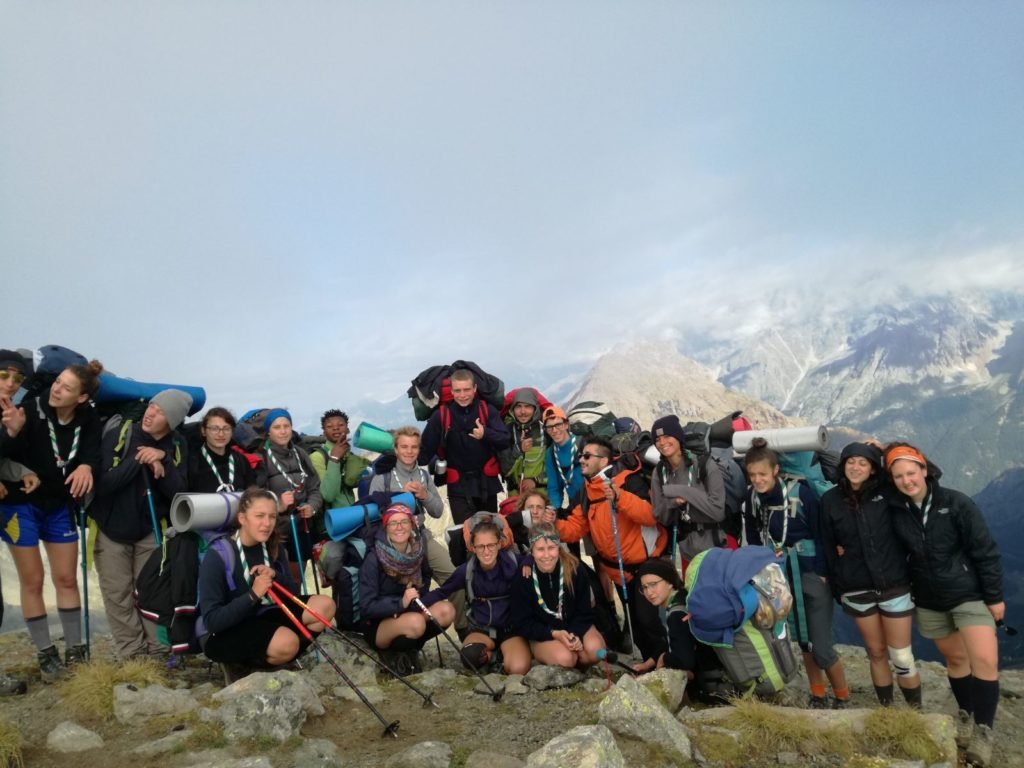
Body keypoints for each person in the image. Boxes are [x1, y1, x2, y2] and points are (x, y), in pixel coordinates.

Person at [885, 443, 1002, 766]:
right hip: (929, 598)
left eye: (912, 472)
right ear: (892, 479)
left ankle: (984, 730)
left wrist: (994, 597)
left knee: (984, 661)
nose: (907, 480)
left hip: (968, 594)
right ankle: (965, 713)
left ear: (925, 470)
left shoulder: (955, 502)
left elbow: (985, 551)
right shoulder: (897, 509)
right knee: (955, 659)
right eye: (899, 476)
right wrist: (881, 449)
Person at [0, 355, 98, 683]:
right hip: (20, 504)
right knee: (33, 581)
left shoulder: (89, 417)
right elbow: (8, 453)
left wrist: (86, 465)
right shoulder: (30, 409)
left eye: (66, 388)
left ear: (81, 397)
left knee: (66, 579)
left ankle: (75, 650)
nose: (57, 390)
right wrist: (13, 432)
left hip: (59, 506)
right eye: (57, 383)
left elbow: (93, 452)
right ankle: (46, 654)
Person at [740, 437, 849, 709]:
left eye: (762, 474)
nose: (758, 479)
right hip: (780, 577)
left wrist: (825, 573)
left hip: (811, 573)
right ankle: (818, 694)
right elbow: (753, 535)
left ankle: (843, 696)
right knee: (803, 642)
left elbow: (822, 533)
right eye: (752, 475)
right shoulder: (753, 499)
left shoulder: (802, 493)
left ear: (775, 470)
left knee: (821, 646)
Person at [819, 442, 921, 708]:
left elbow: (926, 476)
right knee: (876, 653)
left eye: (863, 462)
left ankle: (916, 714)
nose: (856, 467)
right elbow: (827, 546)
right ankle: (887, 711)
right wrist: (837, 587)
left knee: (901, 655)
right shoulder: (830, 501)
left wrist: (888, 450)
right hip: (856, 587)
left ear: (874, 469)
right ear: (842, 466)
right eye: (850, 461)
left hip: (895, 584)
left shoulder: (888, 492)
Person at [92, 388, 191, 660]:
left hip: (149, 529)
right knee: (118, 594)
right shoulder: (121, 433)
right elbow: (103, 484)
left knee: (151, 592)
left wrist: (163, 461)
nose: (150, 413)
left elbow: (178, 493)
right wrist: (140, 460)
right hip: (112, 528)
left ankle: (158, 649)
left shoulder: (177, 444)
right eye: (152, 407)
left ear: (171, 421)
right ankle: (132, 654)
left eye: (160, 412)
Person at [198, 487, 335, 682]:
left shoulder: (272, 545)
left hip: (263, 615)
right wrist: (252, 595)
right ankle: (243, 666)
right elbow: (212, 620)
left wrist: (276, 576)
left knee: (325, 606)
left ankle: (280, 656)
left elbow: (293, 594)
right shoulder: (218, 555)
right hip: (226, 631)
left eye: (272, 517)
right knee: (287, 642)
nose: (267, 524)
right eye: (259, 516)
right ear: (242, 518)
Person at [555, 437, 668, 666]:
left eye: (587, 456)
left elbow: (650, 515)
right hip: (618, 571)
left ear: (604, 459)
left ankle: (668, 668)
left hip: (644, 567)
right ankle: (651, 665)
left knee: (648, 621)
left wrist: (619, 497)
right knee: (636, 622)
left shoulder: (628, 481)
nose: (581, 460)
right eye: (581, 456)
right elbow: (576, 529)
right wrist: (553, 525)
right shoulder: (588, 491)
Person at [421, 517, 531, 675]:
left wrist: (529, 561)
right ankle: (495, 657)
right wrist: (412, 605)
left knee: (517, 669)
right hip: (481, 630)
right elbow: (442, 592)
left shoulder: (515, 563)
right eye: (480, 546)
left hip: (512, 630)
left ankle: (501, 657)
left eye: (491, 545)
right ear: (473, 548)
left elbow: (536, 558)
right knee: (470, 658)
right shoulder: (466, 571)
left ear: (499, 544)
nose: (486, 551)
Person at [359, 503, 456, 675]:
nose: (399, 527)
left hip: (410, 611)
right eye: (393, 523)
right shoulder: (373, 559)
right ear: (386, 527)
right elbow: (367, 606)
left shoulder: (418, 551)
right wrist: (400, 603)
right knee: (416, 622)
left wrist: (417, 597)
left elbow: (425, 578)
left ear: (412, 524)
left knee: (446, 610)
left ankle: (411, 651)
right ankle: (393, 655)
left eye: (404, 521)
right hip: (379, 624)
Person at [418, 369, 510, 524]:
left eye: (467, 390)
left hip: (486, 485)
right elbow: (424, 452)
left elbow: (506, 439)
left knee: (490, 536)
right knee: (463, 534)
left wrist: (485, 433)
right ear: (451, 391)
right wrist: (396, 456)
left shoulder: (486, 410)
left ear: (474, 388)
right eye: (458, 390)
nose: (462, 395)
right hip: (458, 488)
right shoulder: (441, 416)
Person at [367, 426, 454, 586]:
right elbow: (373, 515)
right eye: (404, 447)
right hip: (391, 542)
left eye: (414, 447)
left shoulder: (423, 475)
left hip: (421, 536)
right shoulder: (381, 479)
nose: (409, 451)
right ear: (396, 449)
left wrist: (425, 495)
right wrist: (402, 496)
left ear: (419, 450)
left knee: (454, 579)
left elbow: (438, 511)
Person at [510, 522, 604, 669]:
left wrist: (574, 634)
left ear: (559, 548)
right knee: (565, 658)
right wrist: (554, 634)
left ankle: (577, 662)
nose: (547, 555)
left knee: (597, 652)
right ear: (532, 551)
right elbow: (522, 622)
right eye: (540, 549)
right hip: (544, 634)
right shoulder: (523, 577)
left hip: (575, 626)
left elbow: (585, 611)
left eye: (552, 548)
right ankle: (561, 658)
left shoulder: (575, 569)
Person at [649, 414, 727, 571]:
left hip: (715, 546)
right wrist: (672, 502)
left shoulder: (705, 464)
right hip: (686, 550)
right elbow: (660, 515)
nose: (662, 443)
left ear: (678, 437)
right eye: (657, 439)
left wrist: (679, 491)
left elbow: (717, 511)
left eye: (667, 436)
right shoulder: (659, 472)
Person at [633, 557, 722, 690]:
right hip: (714, 670)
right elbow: (671, 642)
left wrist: (664, 658)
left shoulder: (677, 613)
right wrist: (647, 664)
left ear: (669, 582)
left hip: (710, 683)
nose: (649, 592)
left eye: (653, 584)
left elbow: (684, 660)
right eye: (644, 587)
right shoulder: (682, 597)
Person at [257, 409, 322, 587]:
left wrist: (312, 506)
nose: (283, 431)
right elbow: (255, 497)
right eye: (277, 427)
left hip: (301, 526)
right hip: (275, 531)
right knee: (282, 581)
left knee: (297, 579)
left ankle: (299, 613)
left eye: (286, 426)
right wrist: (277, 504)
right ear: (268, 431)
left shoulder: (300, 454)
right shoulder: (261, 457)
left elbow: (315, 488)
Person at [309, 409, 369, 515]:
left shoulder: (348, 454)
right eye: (329, 426)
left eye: (340, 425)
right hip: (331, 521)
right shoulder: (317, 457)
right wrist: (334, 459)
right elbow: (328, 495)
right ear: (324, 433)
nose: (335, 428)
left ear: (348, 429)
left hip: (352, 513)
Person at [187, 407, 255, 493]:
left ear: (232, 431)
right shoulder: (192, 461)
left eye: (226, 429)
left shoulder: (241, 460)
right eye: (214, 429)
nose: (221, 434)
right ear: (203, 431)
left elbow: (252, 494)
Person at [499, 388, 547, 497]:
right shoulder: (506, 432)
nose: (523, 412)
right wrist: (519, 450)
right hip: (515, 495)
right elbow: (504, 469)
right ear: (512, 409)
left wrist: (535, 480)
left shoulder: (546, 431)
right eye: (518, 406)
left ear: (535, 409)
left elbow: (554, 466)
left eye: (528, 406)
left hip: (541, 496)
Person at [542, 406, 583, 511]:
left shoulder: (583, 444)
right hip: (575, 505)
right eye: (549, 427)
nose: (554, 430)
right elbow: (553, 487)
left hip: (595, 500)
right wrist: (555, 511)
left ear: (566, 425)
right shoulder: (550, 454)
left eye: (558, 425)